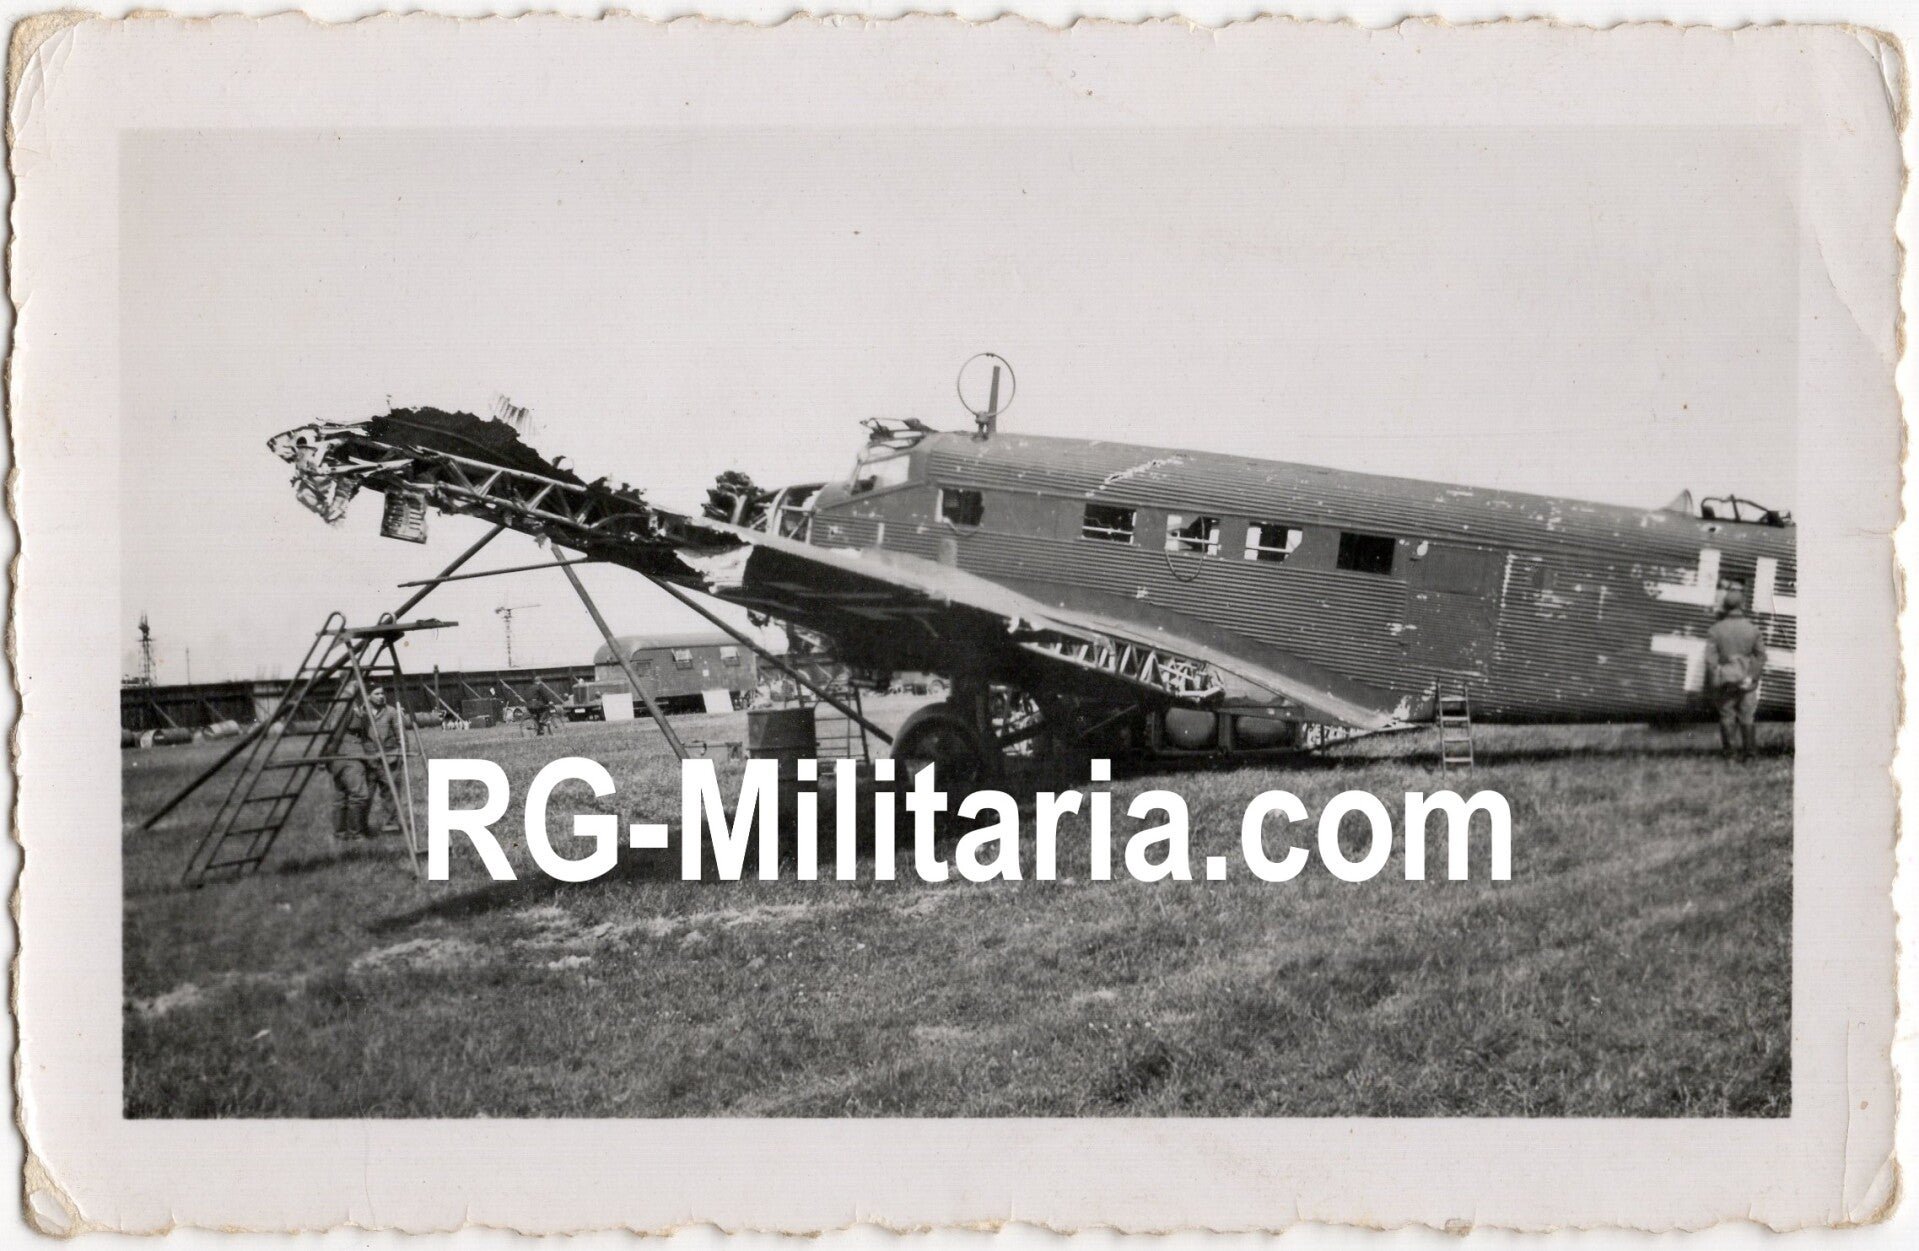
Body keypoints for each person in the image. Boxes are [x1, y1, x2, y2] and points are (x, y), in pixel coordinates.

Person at [328, 682, 404, 839]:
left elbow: (401, 735)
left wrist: (401, 754)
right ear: (368, 696)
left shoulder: (390, 712)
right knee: (363, 795)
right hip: (367, 759)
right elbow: (342, 731)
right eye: (377, 693)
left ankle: (391, 825)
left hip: (390, 758)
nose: (381, 696)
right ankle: (357, 829)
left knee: (390, 794)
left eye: (382, 693)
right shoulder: (359, 710)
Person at [1704, 584, 1768, 762]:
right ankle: (1750, 756)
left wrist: (1718, 679)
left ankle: (1729, 756)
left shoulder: (1715, 630)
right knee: (1747, 716)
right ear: (1743, 605)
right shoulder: (1753, 629)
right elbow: (1761, 656)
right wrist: (1751, 677)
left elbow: (1710, 661)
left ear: (1725, 606)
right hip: (1747, 681)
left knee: (1726, 716)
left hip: (1725, 681)